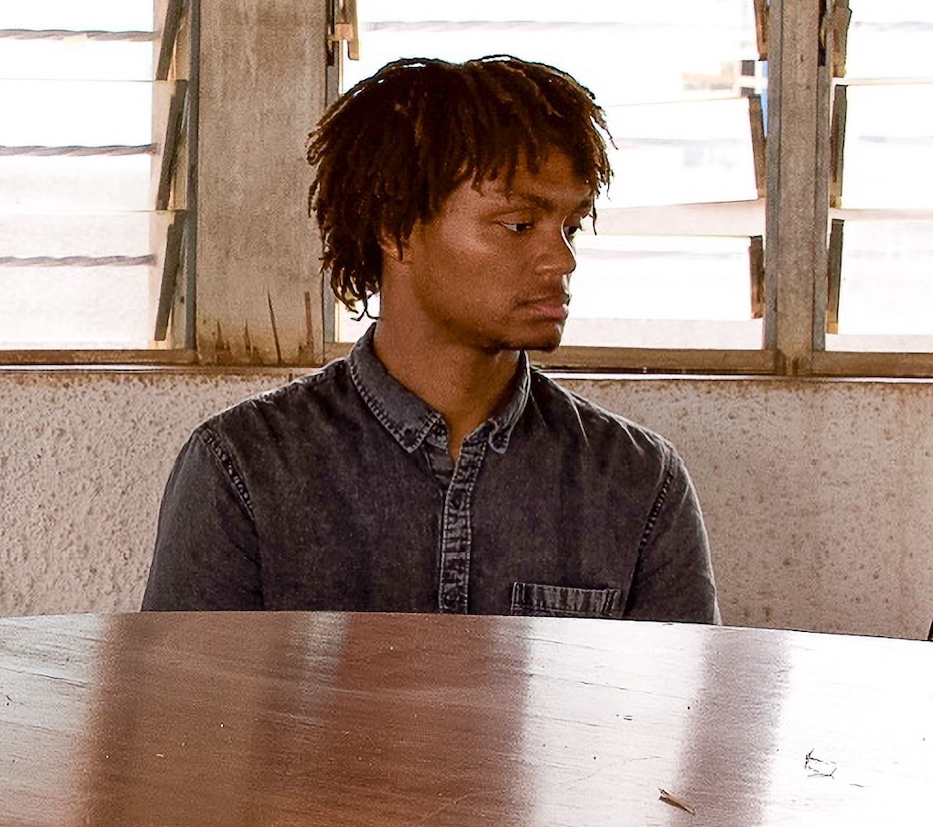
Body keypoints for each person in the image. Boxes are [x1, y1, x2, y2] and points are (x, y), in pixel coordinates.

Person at [140, 55, 715, 621]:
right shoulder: (245, 467)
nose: (560, 259)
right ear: (397, 231)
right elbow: (183, 711)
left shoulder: (639, 482)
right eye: (519, 225)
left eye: (569, 227)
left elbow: (677, 713)